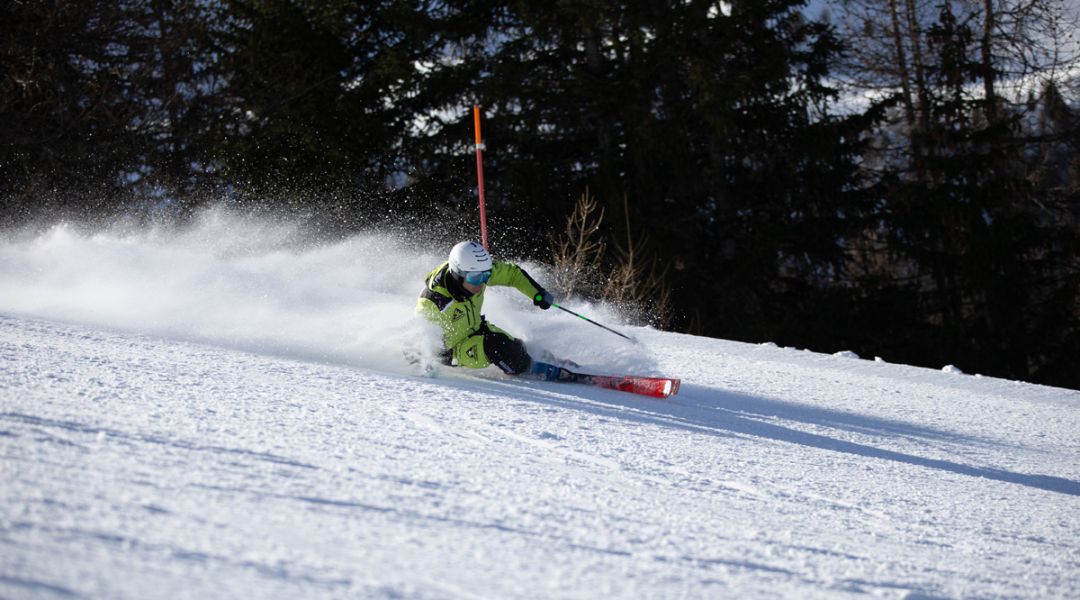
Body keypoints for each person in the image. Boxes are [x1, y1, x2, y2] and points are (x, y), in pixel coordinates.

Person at [416, 241, 559, 378]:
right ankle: (534, 370)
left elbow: (512, 274)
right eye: (475, 278)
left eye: (486, 275)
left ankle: (536, 359)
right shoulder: (434, 303)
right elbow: (423, 342)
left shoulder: (477, 271)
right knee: (498, 348)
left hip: (475, 328)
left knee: (516, 346)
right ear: (457, 274)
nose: (481, 283)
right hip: (455, 351)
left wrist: (537, 293)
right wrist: (428, 367)